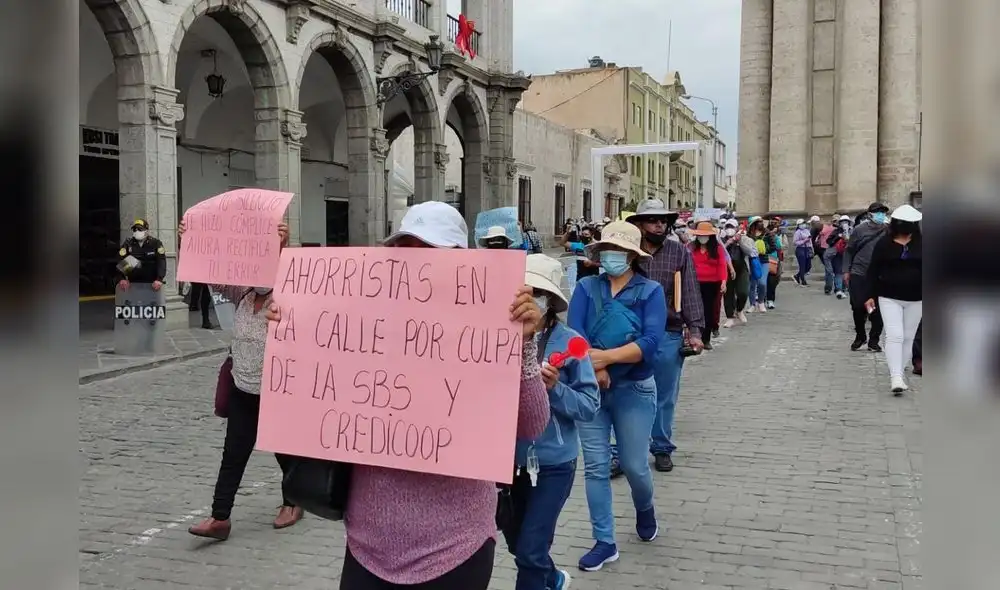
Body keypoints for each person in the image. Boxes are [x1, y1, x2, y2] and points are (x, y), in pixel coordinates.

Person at [266, 201, 550, 590]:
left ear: (460, 262)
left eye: (428, 254)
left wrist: (525, 345)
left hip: (456, 547)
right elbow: (310, 399)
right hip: (368, 543)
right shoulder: (363, 317)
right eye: (404, 250)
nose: (414, 266)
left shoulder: (493, 323)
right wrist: (293, 331)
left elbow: (533, 423)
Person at [181, 219, 302, 540]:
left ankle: (293, 502)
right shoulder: (244, 295)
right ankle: (220, 517)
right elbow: (210, 273)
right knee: (233, 453)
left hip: (277, 393)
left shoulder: (289, 296)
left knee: (284, 452)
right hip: (243, 389)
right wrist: (192, 238)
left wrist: (281, 245)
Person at [568, 220, 666, 571]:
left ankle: (645, 507)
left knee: (635, 465)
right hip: (590, 389)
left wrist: (606, 359)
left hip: (635, 389)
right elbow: (574, 333)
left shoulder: (650, 291)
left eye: (620, 251)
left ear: (632, 256)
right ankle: (604, 541)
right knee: (595, 467)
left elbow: (651, 344)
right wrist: (594, 369)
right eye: (607, 250)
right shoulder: (585, 287)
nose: (612, 256)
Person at [502, 254, 600, 590]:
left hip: (554, 464)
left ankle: (543, 575)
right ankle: (553, 577)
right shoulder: (496, 335)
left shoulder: (572, 342)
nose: (529, 300)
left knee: (530, 551)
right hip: (505, 464)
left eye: (537, 294)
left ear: (550, 301)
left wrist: (555, 389)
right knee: (519, 545)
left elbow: (589, 406)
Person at [627, 200, 704, 474]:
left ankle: (661, 447)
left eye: (663, 220)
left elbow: (691, 291)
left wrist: (695, 330)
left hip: (668, 332)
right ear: (639, 224)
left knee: (664, 395)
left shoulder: (678, 252)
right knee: (624, 393)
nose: (659, 225)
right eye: (653, 220)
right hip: (629, 334)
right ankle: (622, 451)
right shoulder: (627, 252)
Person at [864, 204, 923, 394]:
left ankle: (900, 369)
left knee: (908, 337)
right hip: (889, 296)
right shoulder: (884, 244)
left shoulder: (922, 243)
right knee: (894, 335)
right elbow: (873, 270)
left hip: (917, 298)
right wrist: (869, 295)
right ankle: (896, 376)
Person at [844, 202, 889, 351]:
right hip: (859, 272)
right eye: (878, 212)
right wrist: (846, 270)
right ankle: (860, 336)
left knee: (877, 309)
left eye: (883, 212)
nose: (881, 215)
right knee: (858, 306)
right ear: (870, 214)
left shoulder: (889, 230)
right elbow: (849, 250)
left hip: (879, 275)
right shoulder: (859, 230)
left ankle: (873, 340)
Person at [687, 221, 728, 349]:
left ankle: (706, 339)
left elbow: (722, 265)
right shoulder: (690, 247)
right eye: (700, 235)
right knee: (694, 310)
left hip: (712, 284)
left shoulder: (718, 249)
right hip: (694, 283)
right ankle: (695, 336)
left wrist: (723, 281)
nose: (702, 238)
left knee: (708, 311)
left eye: (705, 235)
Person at [721, 218, 756, 327]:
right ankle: (730, 317)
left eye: (732, 227)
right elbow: (719, 252)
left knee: (743, 292)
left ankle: (739, 309)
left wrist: (739, 241)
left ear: (737, 228)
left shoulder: (744, 238)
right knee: (728, 293)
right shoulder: (721, 239)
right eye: (728, 227)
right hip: (726, 269)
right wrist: (728, 242)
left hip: (741, 268)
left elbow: (750, 252)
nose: (730, 229)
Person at [116, 218, 166, 292]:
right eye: (134, 230)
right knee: (131, 259)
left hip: (152, 283)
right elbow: (120, 260)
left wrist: (159, 279)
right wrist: (121, 279)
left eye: (140, 229)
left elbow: (161, 261)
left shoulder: (155, 243)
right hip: (133, 283)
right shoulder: (128, 244)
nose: (137, 231)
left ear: (146, 231)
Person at [823, 215, 852, 298]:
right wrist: (838, 237)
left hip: (846, 254)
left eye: (846, 222)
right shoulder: (836, 231)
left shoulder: (852, 231)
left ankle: (842, 288)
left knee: (843, 271)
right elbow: (829, 241)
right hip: (834, 254)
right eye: (843, 222)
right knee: (834, 271)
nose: (845, 224)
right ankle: (834, 288)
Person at [746, 217, 770, 312]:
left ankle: (761, 302)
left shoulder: (767, 234)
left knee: (762, 283)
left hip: (764, 260)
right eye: (758, 222)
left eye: (761, 222)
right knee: (752, 284)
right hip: (752, 260)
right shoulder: (748, 235)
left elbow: (773, 246)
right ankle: (752, 304)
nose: (760, 224)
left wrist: (764, 249)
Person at [793, 218, 814, 286]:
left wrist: (811, 248)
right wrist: (804, 241)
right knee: (802, 265)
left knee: (808, 266)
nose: (803, 225)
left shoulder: (807, 231)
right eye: (802, 224)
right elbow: (795, 242)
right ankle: (803, 280)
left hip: (808, 248)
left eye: (804, 223)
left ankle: (797, 276)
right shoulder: (798, 232)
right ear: (798, 225)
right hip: (800, 249)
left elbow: (810, 240)